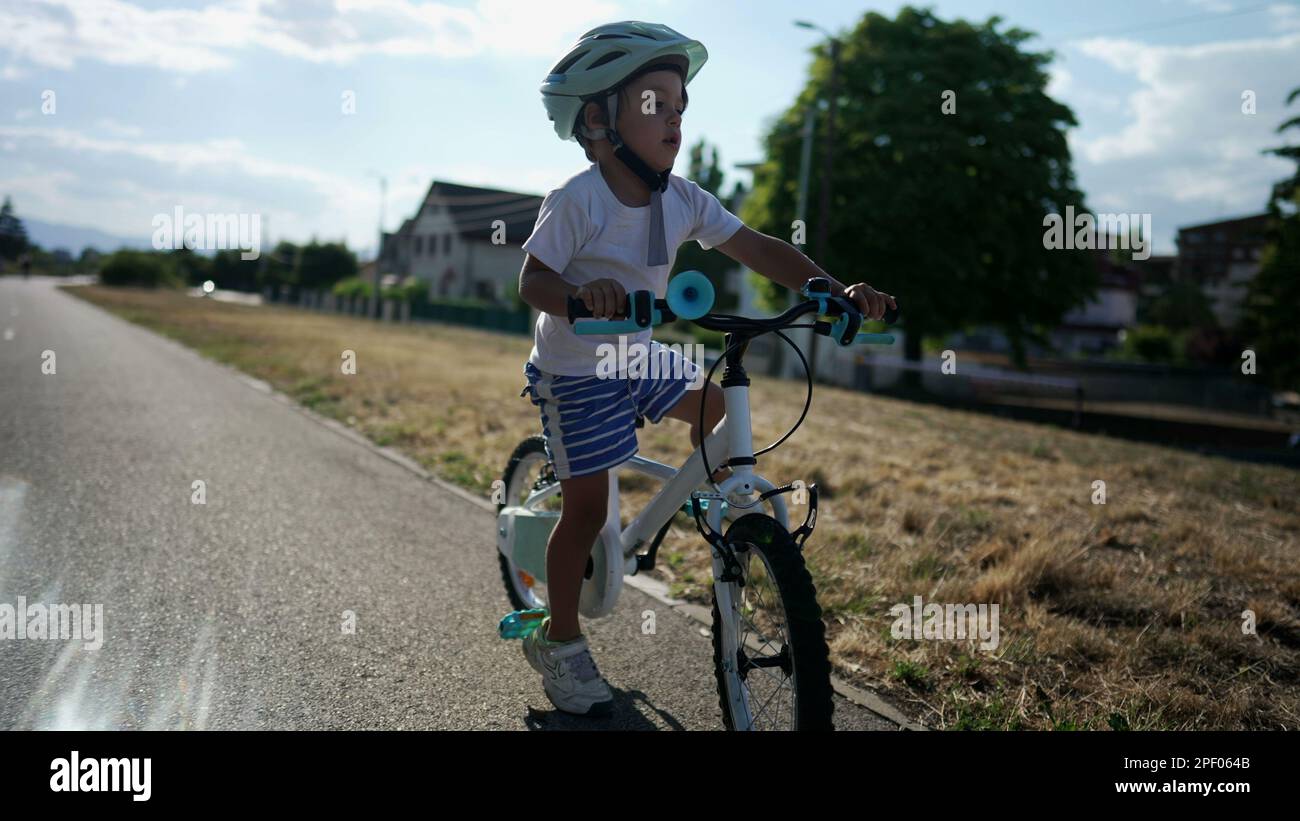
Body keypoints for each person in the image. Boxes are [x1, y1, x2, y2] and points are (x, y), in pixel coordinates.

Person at [514, 21, 896, 717]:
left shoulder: (681, 198)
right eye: (655, 104)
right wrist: (576, 296)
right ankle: (560, 641)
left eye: (681, 107)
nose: (675, 120)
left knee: (717, 408)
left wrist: (833, 289)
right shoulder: (579, 199)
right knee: (587, 508)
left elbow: (756, 245)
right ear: (598, 118)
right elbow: (532, 281)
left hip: (638, 353)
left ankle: (725, 527)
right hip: (578, 366)